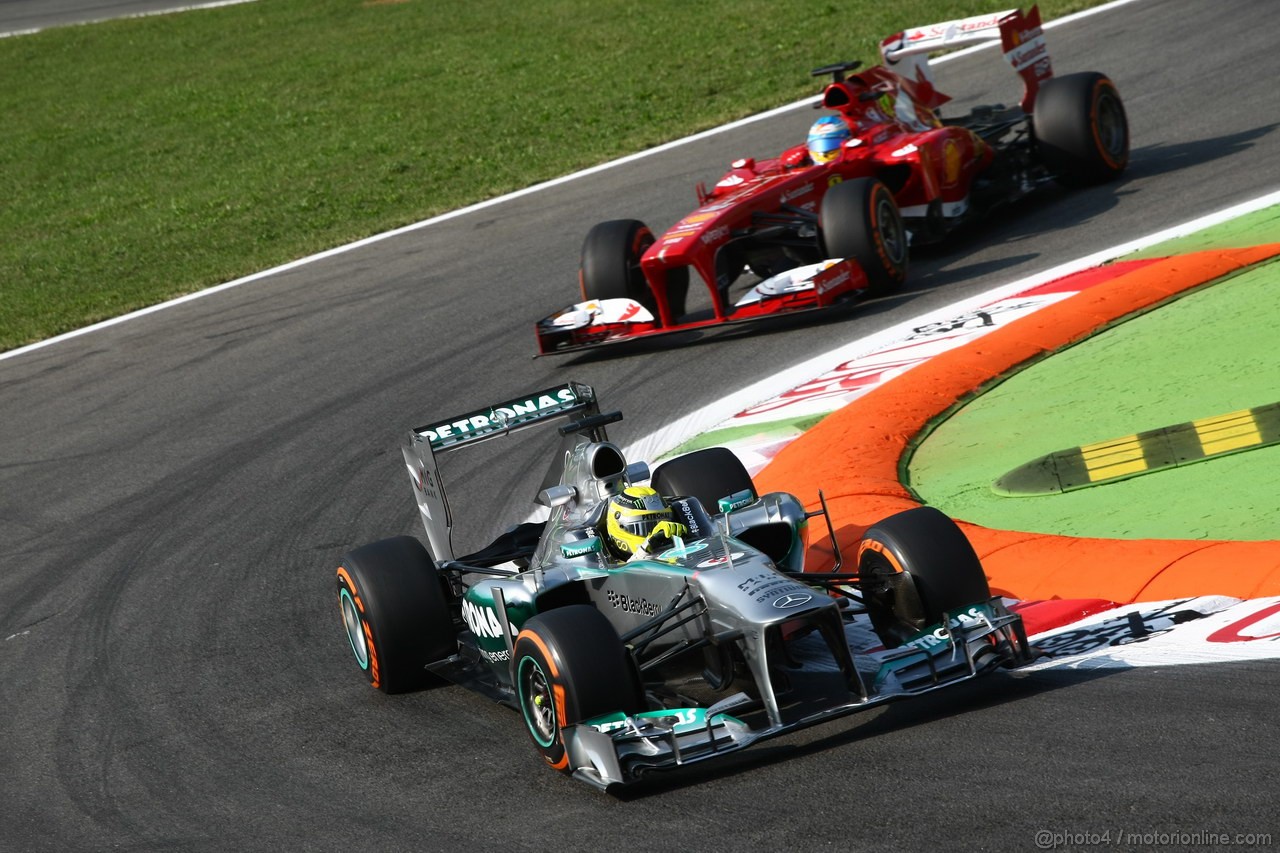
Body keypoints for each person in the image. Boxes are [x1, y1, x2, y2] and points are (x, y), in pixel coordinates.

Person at [604, 485, 689, 561]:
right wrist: (645, 549)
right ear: (620, 526)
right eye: (645, 527)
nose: (656, 532)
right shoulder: (603, 566)